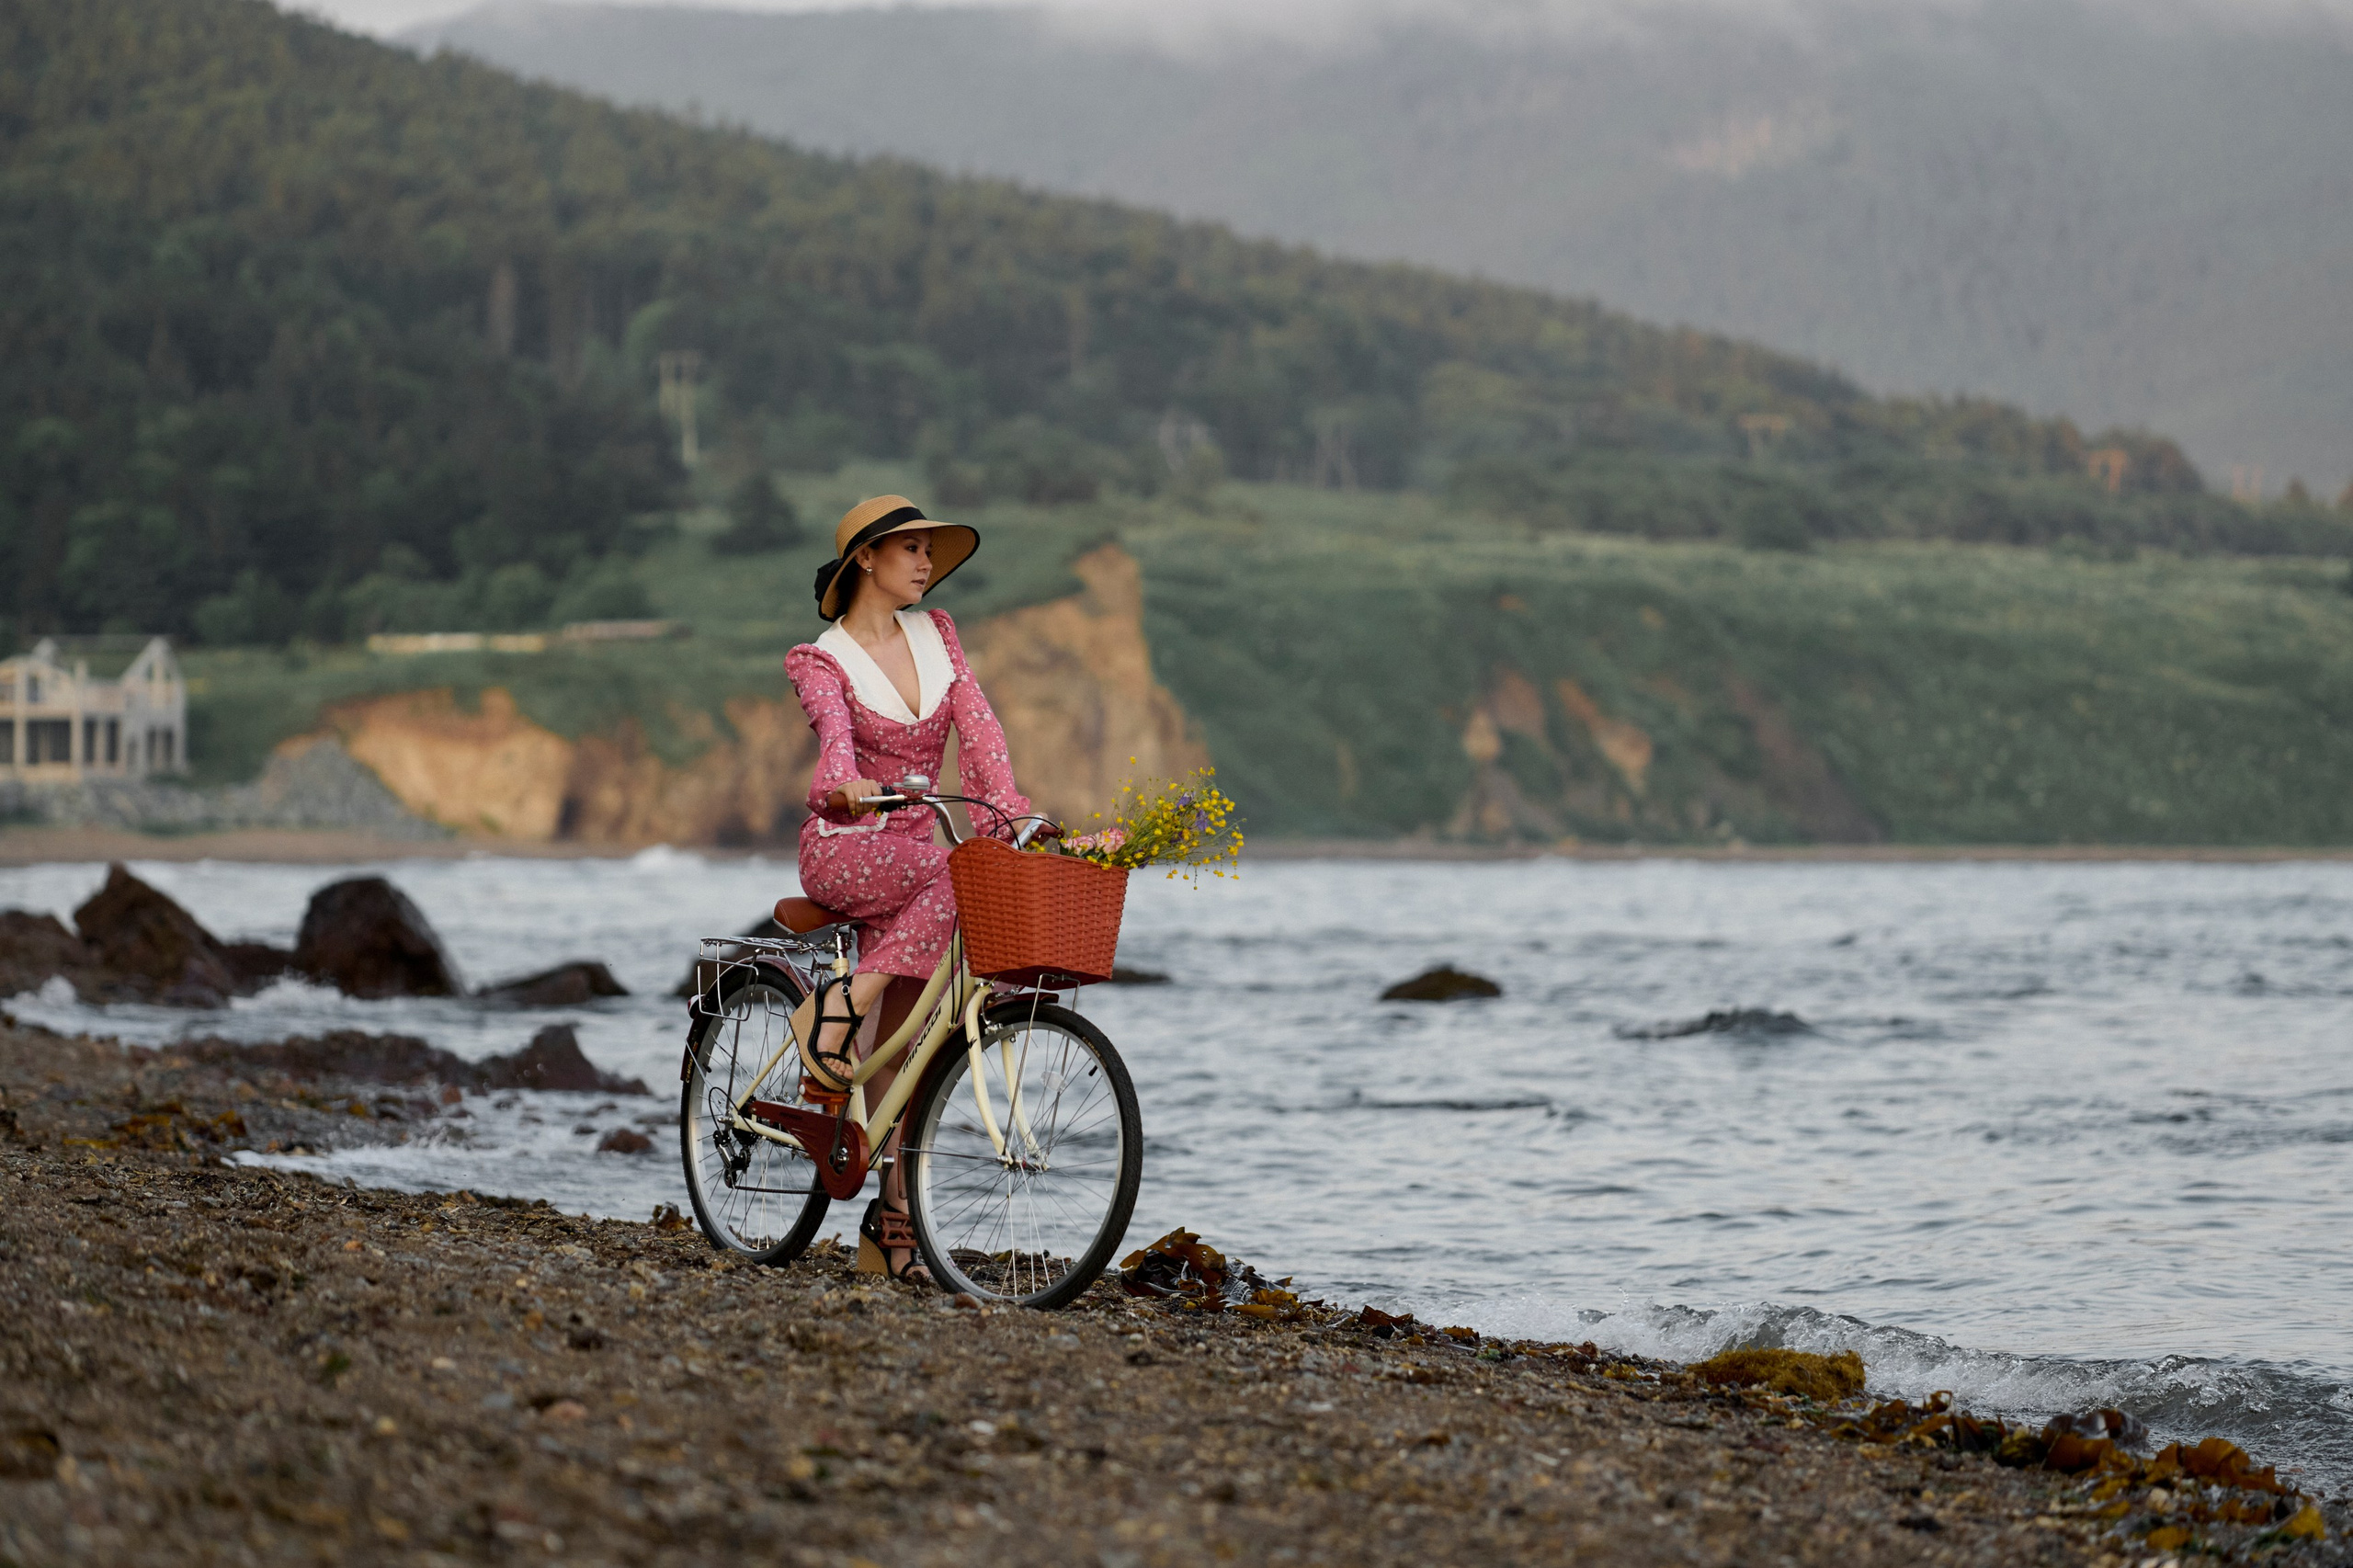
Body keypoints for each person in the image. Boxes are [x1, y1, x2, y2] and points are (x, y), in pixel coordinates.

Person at [783, 494, 1036, 1285]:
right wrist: (843, 790)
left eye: (931, 549)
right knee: (950, 877)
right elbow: (831, 739)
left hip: (919, 866)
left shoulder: (940, 636)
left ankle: (891, 1225)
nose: (927, 562)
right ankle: (833, 1010)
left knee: (914, 1048)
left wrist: (1016, 818)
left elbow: (983, 737)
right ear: (866, 558)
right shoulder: (820, 659)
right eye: (911, 549)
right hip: (844, 848)